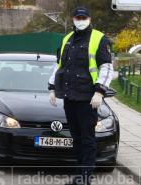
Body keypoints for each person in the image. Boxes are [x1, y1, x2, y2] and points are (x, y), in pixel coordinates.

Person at [48, 7, 114, 185]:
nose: (81, 20)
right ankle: (79, 176)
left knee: (87, 139)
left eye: (84, 17)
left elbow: (107, 67)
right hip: (70, 97)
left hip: (87, 98)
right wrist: (52, 87)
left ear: (90, 18)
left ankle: (85, 178)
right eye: (78, 17)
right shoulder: (67, 39)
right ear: (73, 19)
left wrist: (100, 91)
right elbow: (59, 65)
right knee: (76, 139)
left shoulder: (99, 38)